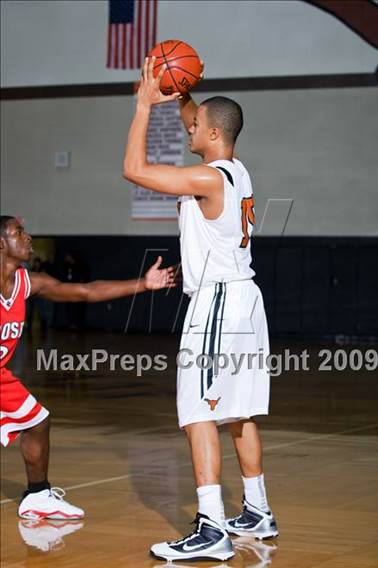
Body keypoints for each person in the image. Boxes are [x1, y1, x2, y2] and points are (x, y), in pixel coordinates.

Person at [123, 58, 278, 562]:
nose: (188, 127)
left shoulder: (209, 178)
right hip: (245, 300)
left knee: (198, 413)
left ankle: (211, 527)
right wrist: (180, 94)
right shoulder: (237, 168)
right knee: (238, 412)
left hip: (216, 303)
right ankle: (256, 510)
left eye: (194, 125)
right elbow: (203, 120)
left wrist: (145, 106)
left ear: (212, 133)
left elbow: (135, 171)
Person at [0, 215, 176, 520]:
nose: (28, 237)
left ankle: (38, 496)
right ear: (1, 244)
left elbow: (86, 291)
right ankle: (38, 495)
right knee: (38, 421)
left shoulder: (28, 282)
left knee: (38, 422)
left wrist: (144, 285)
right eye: (19, 232)